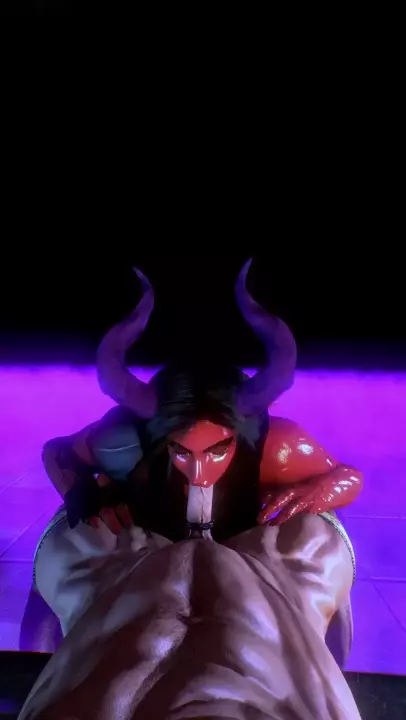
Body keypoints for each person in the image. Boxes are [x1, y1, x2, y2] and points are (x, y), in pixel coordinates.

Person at [19, 261, 363, 719]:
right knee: (70, 556)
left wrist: (315, 496)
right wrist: (82, 491)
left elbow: (347, 476)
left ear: (239, 434)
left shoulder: (277, 446)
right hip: (144, 543)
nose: (199, 468)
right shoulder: (125, 439)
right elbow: (58, 453)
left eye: (217, 450)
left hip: (249, 542)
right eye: (181, 451)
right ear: (160, 437)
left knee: (316, 555)